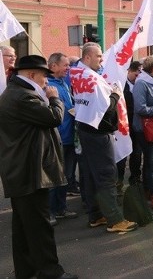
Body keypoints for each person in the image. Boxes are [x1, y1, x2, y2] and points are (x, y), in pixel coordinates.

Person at [0, 55, 77, 279]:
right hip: (29, 171)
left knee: (24, 228)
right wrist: (54, 99)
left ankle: (27, 271)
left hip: (23, 170)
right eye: (44, 76)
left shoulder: (17, 92)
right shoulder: (23, 96)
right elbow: (54, 117)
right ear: (32, 75)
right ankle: (51, 272)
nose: (47, 82)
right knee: (39, 227)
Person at [71, 43, 138, 233]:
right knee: (107, 176)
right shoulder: (93, 78)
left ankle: (96, 215)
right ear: (87, 58)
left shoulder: (76, 72)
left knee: (92, 175)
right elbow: (107, 108)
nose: (101, 60)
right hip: (99, 132)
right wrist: (116, 94)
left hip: (86, 128)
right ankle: (115, 220)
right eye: (99, 56)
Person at [46, 53, 78, 225]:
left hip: (69, 137)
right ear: (53, 66)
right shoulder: (46, 86)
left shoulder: (63, 83)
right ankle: (50, 211)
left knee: (66, 176)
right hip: (56, 138)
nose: (68, 68)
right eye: (65, 65)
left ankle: (61, 207)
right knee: (53, 177)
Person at [132, 56, 153, 209]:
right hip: (143, 127)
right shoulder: (141, 83)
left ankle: (148, 188)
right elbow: (140, 107)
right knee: (150, 160)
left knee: (150, 160)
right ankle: (152, 192)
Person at [118, 60, 141, 193]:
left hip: (136, 124)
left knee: (137, 153)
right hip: (124, 123)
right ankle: (119, 180)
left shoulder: (140, 84)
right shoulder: (122, 84)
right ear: (129, 72)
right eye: (136, 74)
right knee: (122, 154)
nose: (137, 77)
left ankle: (135, 177)